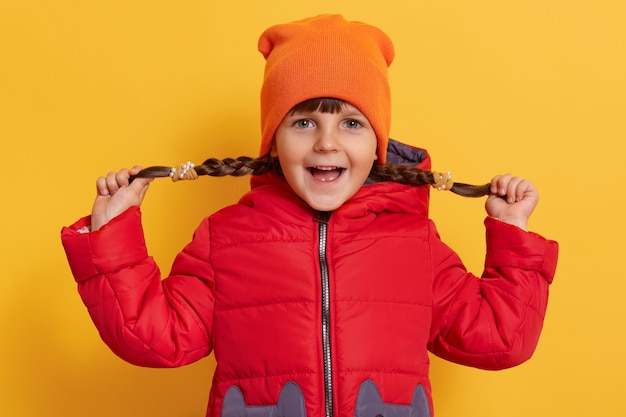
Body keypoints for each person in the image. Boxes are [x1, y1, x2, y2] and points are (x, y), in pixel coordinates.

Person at [61, 14, 558, 417]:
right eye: (303, 121)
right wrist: (112, 238)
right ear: (273, 139)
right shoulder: (225, 239)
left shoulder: (414, 241)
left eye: (351, 123)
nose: (327, 142)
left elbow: (501, 339)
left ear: (378, 144)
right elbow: (156, 338)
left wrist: (512, 234)